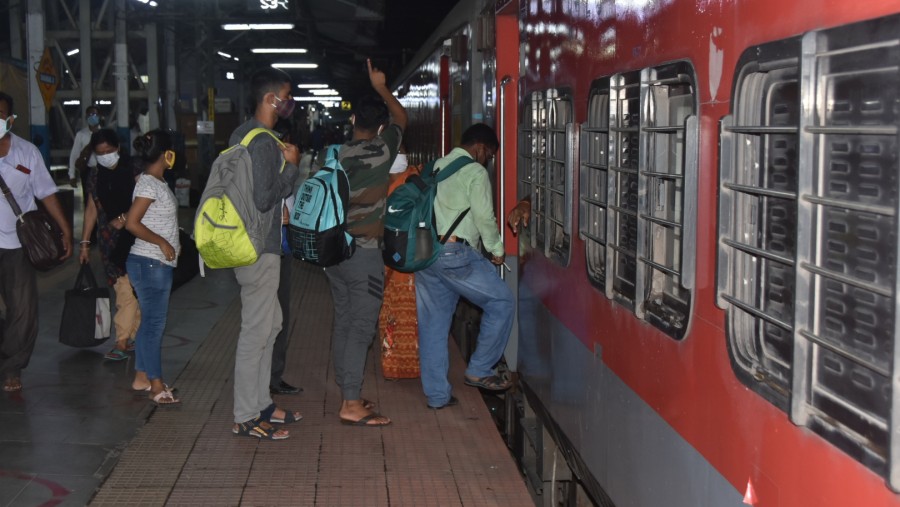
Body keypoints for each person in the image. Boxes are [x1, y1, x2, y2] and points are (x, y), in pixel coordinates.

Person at [321, 59, 406, 426]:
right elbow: (403, 119)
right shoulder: (382, 151)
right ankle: (350, 403)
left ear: (353, 121)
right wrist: (381, 86)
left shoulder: (334, 155)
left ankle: (348, 388)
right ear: (381, 127)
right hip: (363, 255)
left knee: (344, 320)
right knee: (361, 326)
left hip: (333, 254)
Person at [415, 123, 514, 410]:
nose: (488, 161)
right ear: (480, 148)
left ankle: (437, 396)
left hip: (425, 253)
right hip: (455, 253)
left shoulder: (434, 166)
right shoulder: (474, 171)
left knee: (433, 326)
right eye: (490, 155)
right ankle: (480, 369)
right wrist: (497, 251)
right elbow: (484, 217)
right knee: (502, 301)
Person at [230, 68, 303, 440]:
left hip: (252, 244)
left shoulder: (242, 134)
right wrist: (291, 169)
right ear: (270, 99)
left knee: (270, 325)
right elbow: (262, 198)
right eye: (286, 95)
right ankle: (245, 415)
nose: (289, 102)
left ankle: (262, 404)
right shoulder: (261, 142)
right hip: (260, 248)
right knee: (255, 331)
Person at [0, 91, 73, 392]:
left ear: (10, 119)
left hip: (18, 245)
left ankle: (12, 367)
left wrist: (65, 229)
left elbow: (46, 193)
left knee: (22, 310)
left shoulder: (27, 152)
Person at [124, 129, 181, 405]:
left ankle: (141, 377)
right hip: (150, 262)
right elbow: (132, 222)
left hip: (154, 263)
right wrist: (161, 242)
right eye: (172, 151)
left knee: (149, 322)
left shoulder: (157, 182)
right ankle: (156, 385)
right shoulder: (149, 183)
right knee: (155, 325)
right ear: (165, 154)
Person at [79, 128, 142, 361]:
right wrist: (85, 243)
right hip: (109, 240)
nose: (106, 155)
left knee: (131, 289)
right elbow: (91, 209)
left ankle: (123, 340)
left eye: (109, 151)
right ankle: (130, 336)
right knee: (124, 288)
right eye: (100, 152)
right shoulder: (95, 175)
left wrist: (125, 218)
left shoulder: (134, 168)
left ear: (118, 148)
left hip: (137, 235)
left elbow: (146, 201)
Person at [378, 144, 421, 380]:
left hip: (398, 267)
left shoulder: (395, 187)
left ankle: (396, 367)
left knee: (395, 317)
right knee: (409, 319)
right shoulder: (413, 180)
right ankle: (409, 366)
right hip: (411, 265)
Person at [269, 117, 300, 396]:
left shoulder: (283, 168)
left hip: (283, 248)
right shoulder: (268, 167)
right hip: (270, 251)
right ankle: (268, 380)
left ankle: (274, 377)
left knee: (280, 316)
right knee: (271, 318)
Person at [68, 105, 101, 189]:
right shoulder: (81, 135)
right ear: (86, 117)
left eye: (94, 115)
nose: (92, 117)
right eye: (89, 115)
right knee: (87, 197)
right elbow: (74, 155)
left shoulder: (104, 134)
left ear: (99, 116)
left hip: (102, 170)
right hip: (87, 170)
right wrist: (72, 175)